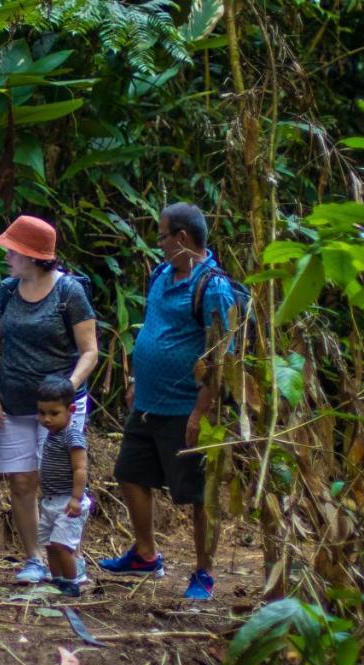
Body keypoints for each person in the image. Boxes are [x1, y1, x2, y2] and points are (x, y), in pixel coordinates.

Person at [98, 202, 234, 601]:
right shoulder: (161, 274)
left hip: (184, 409)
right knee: (130, 472)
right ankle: (145, 552)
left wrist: (200, 411)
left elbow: (221, 357)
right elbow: (156, 328)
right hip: (148, 403)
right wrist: (139, 378)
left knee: (197, 495)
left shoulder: (214, 288)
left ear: (181, 239)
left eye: (160, 236)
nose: (157, 244)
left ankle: (204, 574)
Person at [0, 216, 98, 585]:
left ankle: (67, 556)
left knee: (61, 484)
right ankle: (33, 558)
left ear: (32, 255)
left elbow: (90, 351)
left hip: (60, 407)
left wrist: (68, 386)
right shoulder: (8, 290)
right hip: (14, 403)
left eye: (13, 250)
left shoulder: (69, 293)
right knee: (21, 481)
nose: (7, 256)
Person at [33, 376, 91, 598]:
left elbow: (80, 469)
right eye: (41, 413)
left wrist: (76, 498)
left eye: (53, 413)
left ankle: (72, 581)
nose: (46, 419)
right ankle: (57, 578)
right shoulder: (53, 433)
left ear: (71, 410)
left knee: (62, 545)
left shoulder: (72, 435)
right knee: (49, 543)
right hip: (52, 500)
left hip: (68, 501)